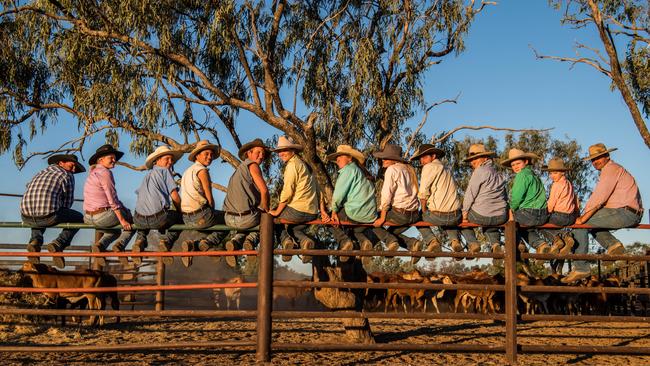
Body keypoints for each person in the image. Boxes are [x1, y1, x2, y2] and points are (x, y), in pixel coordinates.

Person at [563, 143, 643, 283]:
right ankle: (613, 245)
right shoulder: (613, 169)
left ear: (607, 156)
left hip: (625, 212)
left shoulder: (610, 170)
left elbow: (599, 197)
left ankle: (581, 268)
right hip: (627, 212)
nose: (595, 162)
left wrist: (582, 218)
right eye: (593, 160)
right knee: (591, 222)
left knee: (582, 225)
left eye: (598, 157)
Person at [20, 154, 86, 268]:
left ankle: (35, 241)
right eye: (72, 166)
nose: (74, 170)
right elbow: (68, 203)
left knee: (39, 211)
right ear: (61, 163)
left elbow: (30, 188)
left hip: (25, 215)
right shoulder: (67, 175)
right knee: (79, 218)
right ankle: (59, 243)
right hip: (47, 216)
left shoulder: (41, 172)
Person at [321, 145, 377, 264]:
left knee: (328, 220)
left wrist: (334, 211)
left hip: (355, 212)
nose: (337, 160)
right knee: (356, 228)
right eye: (337, 157)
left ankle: (344, 242)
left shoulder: (348, 170)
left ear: (350, 158)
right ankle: (365, 241)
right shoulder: (363, 173)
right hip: (370, 215)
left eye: (340, 156)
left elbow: (338, 194)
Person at [269, 136, 320, 264]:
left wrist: (277, 212)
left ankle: (286, 244)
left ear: (293, 150)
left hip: (298, 210)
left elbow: (287, 191)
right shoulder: (303, 165)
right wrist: (322, 210)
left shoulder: (292, 166)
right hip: (312, 212)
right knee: (294, 229)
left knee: (273, 220)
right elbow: (318, 190)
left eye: (284, 150)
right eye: (279, 152)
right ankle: (305, 241)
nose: (281, 154)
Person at [83, 144, 135, 267]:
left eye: (114, 158)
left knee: (115, 231)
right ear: (101, 160)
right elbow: (112, 199)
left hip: (87, 217)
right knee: (131, 222)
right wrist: (122, 219)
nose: (114, 160)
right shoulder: (105, 173)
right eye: (110, 157)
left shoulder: (92, 173)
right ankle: (120, 246)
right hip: (102, 216)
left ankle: (100, 246)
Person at [222, 138, 270, 267]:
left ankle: (235, 242)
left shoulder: (238, 170)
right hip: (244, 219)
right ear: (249, 153)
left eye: (263, 154)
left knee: (247, 222)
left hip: (228, 218)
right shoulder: (253, 165)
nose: (261, 156)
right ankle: (250, 242)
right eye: (258, 152)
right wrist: (265, 209)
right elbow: (264, 191)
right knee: (265, 219)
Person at [133, 145, 184, 266]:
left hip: (139, 218)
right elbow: (175, 196)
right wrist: (180, 211)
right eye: (167, 158)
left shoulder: (147, 176)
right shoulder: (165, 172)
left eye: (172, 160)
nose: (170, 162)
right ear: (158, 160)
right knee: (180, 219)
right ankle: (166, 242)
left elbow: (140, 195)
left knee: (142, 219)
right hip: (158, 218)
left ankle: (139, 240)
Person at [410, 144, 463, 260]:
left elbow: (423, 193)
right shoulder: (447, 169)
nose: (421, 160)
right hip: (456, 215)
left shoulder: (429, 167)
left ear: (433, 156)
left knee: (416, 217)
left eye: (424, 157)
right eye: (420, 158)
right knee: (448, 215)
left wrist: (423, 211)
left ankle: (432, 241)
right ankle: (454, 240)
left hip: (439, 216)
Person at [372, 144, 422, 264]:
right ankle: (412, 244)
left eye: (386, 158)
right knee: (390, 234)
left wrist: (383, 217)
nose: (383, 160)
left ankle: (391, 243)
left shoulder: (392, 170)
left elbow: (386, 194)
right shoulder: (409, 169)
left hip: (400, 214)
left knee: (370, 220)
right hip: (414, 214)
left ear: (394, 159)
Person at [180, 140, 225, 268]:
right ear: (197, 155)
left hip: (186, 218)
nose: (209, 157)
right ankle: (204, 244)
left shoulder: (186, 172)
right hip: (201, 215)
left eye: (211, 154)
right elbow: (210, 198)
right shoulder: (202, 171)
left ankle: (194, 245)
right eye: (206, 154)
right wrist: (212, 209)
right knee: (228, 220)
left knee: (209, 228)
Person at [461, 144, 508, 260]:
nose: (473, 162)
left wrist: (465, 212)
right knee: (490, 225)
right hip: (500, 216)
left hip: (481, 215)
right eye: (471, 160)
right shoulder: (498, 174)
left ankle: (473, 243)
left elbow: (470, 193)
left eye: (476, 158)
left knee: (458, 219)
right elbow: (505, 196)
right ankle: (495, 244)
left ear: (485, 158)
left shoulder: (480, 171)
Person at [501, 148, 549, 254]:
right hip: (542, 213)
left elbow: (516, 198)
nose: (515, 167)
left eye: (518, 163)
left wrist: (511, 209)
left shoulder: (521, 175)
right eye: (513, 165)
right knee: (525, 228)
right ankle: (541, 244)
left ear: (526, 161)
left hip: (529, 214)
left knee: (506, 220)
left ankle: (519, 245)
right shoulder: (534, 175)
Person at [540, 158, 579, 256]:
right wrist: (577, 213)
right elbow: (575, 199)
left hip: (559, 216)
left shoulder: (556, 185)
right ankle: (566, 237)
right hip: (571, 217)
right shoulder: (569, 183)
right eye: (550, 173)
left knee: (540, 223)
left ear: (563, 172)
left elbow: (551, 203)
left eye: (555, 173)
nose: (552, 176)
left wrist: (545, 213)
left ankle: (557, 239)